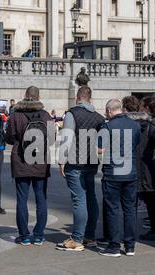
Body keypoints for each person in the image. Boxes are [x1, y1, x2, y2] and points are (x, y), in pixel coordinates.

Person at [56, 86, 106, 252]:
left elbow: (67, 138)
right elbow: (104, 141)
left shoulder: (72, 114)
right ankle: (89, 236)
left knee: (79, 199)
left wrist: (61, 161)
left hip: (75, 162)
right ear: (90, 100)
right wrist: (97, 149)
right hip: (91, 162)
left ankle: (77, 238)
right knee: (90, 197)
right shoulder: (99, 117)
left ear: (77, 99)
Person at [5, 86, 53, 246]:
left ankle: (24, 235)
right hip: (40, 161)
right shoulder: (46, 116)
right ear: (38, 97)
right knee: (41, 199)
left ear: (25, 96)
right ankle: (39, 234)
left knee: (21, 199)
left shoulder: (15, 115)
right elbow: (52, 139)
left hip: (21, 160)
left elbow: (9, 139)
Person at [98, 99, 141, 257]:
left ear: (109, 111)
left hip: (113, 172)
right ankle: (130, 246)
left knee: (112, 209)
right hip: (130, 171)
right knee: (130, 210)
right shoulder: (135, 125)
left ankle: (114, 245)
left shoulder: (108, 126)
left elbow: (100, 149)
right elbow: (136, 144)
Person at [126, 97, 155, 242]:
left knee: (152, 198)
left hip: (148, 165)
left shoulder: (148, 124)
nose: (140, 109)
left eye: (142, 107)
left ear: (148, 109)